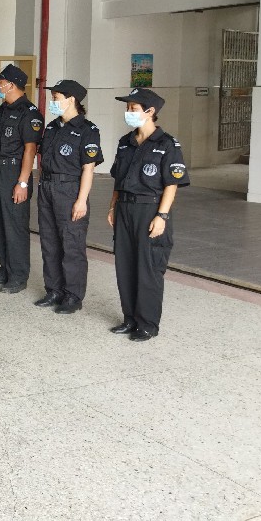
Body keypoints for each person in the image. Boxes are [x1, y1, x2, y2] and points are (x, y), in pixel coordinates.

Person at [108, 88, 189, 341]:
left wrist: (162, 216)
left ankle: (147, 324)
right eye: (127, 108)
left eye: (133, 108)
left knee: (148, 268)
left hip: (150, 209)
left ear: (150, 111)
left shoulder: (167, 144)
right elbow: (118, 179)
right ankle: (130, 318)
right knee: (125, 266)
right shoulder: (126, 142)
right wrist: (112, 206)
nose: (128, 112)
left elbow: (171, 184)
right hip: (125, 209)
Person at [35, 80, 103, 314]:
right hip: (47, 187)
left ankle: (73, 295)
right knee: (49, 241)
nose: (52, 102)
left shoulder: (88, 130)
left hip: (70, 190)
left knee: (71, 244)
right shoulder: (52, 127)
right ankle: (54, 290)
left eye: (56, 98)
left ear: (71, 99)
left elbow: (88, 168)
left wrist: (81, 200)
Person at [0, 64, 42, 294]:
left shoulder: (29, 112)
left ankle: (18, 275)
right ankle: (4, 268)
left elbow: (30, 149)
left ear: (12, 85)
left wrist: (23, 182)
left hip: (14, 173)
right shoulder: (1, 110)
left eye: (0, 83)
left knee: (14, 225)